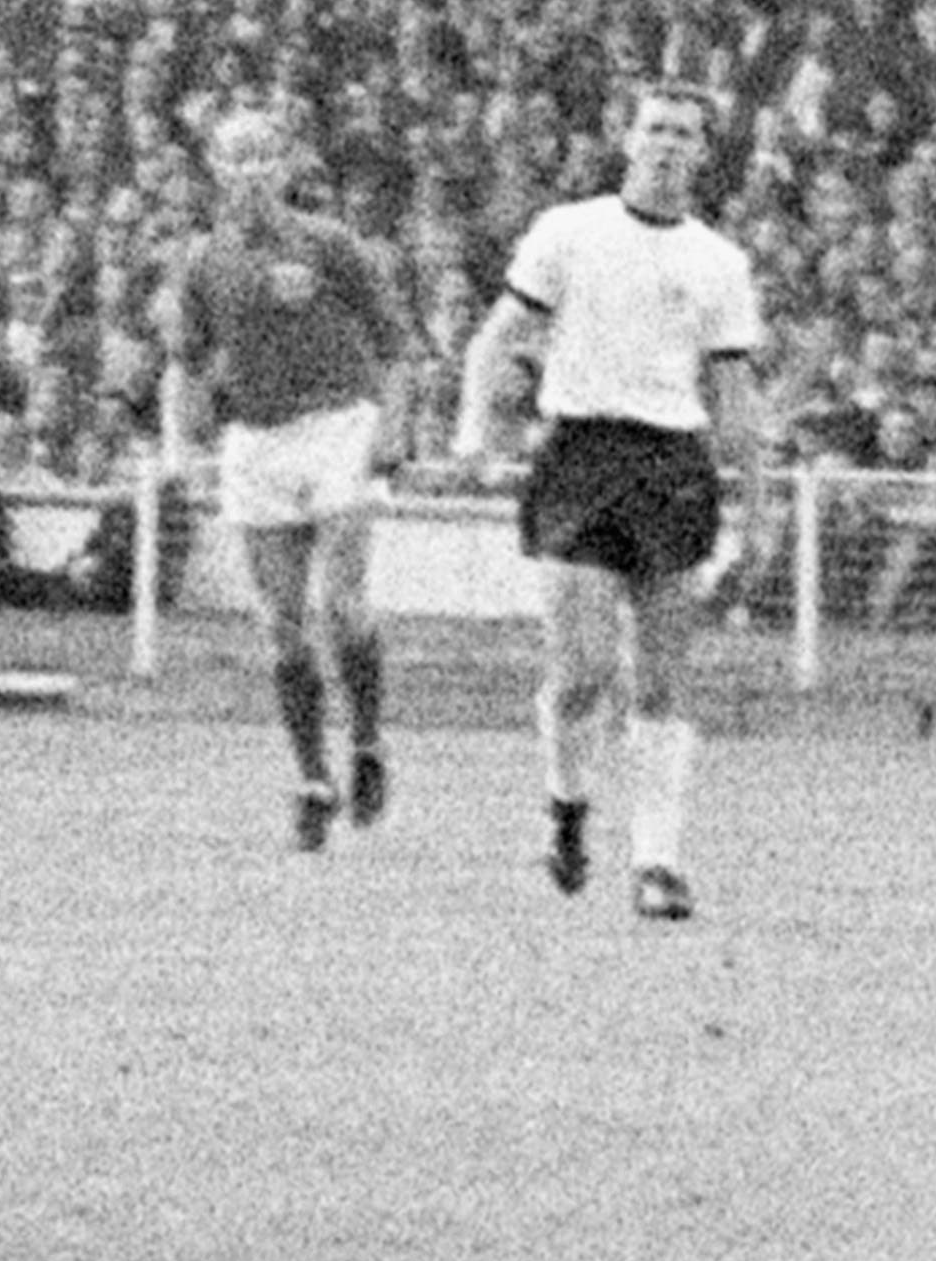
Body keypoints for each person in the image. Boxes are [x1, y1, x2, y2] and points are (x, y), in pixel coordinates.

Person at [453, 80, 782, 922]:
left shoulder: (718, 261)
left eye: (685, 133)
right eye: (656, 128)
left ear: (705, 152)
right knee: (581, 673)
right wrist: (472, 434)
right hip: (581, 454)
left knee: (661, 676)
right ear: (627, 137)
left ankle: (658, 861)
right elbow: (500, 336)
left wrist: (760, 501)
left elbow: (735, 393)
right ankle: (565, 807)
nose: (668, 144)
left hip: (671, 462)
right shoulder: (569, 231)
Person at [157, 98, 418, 851]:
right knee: (280, 626)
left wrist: (393, 425)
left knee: (341, 605)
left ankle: (366, 743)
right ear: (215, 170)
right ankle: (312, 778)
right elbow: (185, 362)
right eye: (235, 158)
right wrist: (180, 443)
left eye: (263, 156)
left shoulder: (329, 243)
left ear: (286, 164)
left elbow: (392, 340)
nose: (250, 172)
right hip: (256, 442)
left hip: (336, 426)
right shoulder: (205, 259)